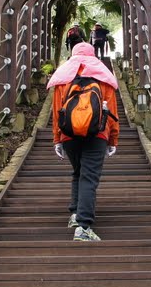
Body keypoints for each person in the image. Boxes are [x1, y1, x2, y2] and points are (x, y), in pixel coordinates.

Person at [48, 42, 120, 241]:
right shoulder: (103, 77)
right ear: (93, 55)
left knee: (78, 172)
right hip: (97, 135)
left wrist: (57, 139)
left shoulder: (63, 78)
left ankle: (75, 214)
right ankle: (84, 226)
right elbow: (112, 113)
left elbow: (56, 113)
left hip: (69, 135)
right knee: (89, 176)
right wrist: (113, 140)